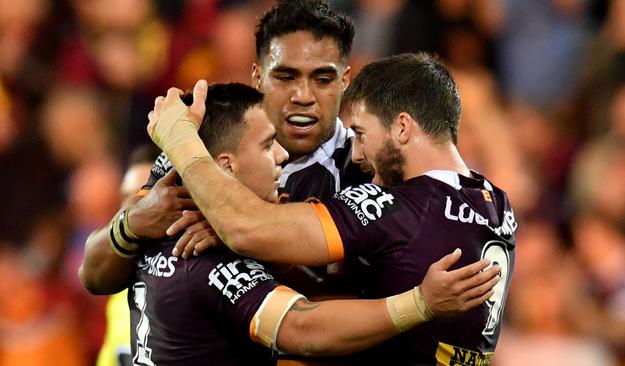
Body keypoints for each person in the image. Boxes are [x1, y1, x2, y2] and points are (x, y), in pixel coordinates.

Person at [147, 53, 517, 365]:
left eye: (361, 133)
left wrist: (180, 141)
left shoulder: (400, 209)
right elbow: (376, 278)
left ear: (402, 127)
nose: (356, 154)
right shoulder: (496, 204)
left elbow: (247, 229)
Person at [81, 0, 368, 297]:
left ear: (345, 80)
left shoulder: (364, 169)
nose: (303, 96)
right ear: (257, 76)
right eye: (286, 77)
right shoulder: (206, 141)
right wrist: (133, 223)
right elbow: (94, 274)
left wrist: (239, 236)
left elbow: (355, 311)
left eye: (322, 79)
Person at [96, 144, 160, 366]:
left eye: (144, 195)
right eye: (126, 197)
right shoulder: (119, 298)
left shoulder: (202, 278)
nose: (131, 210)